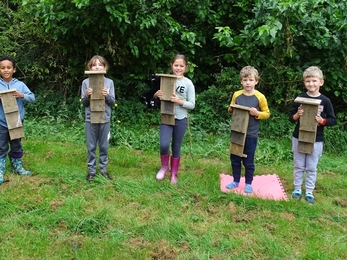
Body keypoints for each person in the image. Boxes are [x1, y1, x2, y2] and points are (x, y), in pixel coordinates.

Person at [289, 66, 336, 204]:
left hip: (316, 140)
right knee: (298, 165)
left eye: (314, 81)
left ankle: (309, 191)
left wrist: (322, 121)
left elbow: (333, 120)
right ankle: (297, 189)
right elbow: (291, 118)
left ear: (321, 82)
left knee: (311, 167)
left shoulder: (325, 101)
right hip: (299, 137)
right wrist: (298, 115)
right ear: (304, 83)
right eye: (308, 81)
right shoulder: (300, 98)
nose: (311, 84)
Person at [225, 66, 270, 193]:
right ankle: (235, 180)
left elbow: (266, 113)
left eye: (250, 80)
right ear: (241, 81)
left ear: (256, 81)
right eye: (245, 80)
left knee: (248, 160)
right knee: (234, 158)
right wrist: (231, 109)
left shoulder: (260, 97)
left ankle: (249, 183)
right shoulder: (237, 94)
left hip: (251, 134)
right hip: (236, 132)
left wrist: (257, 113)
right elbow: (230, 109)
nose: (248, 83)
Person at [153, 54, 195, 184]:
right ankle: (164, 167)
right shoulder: (165, 80)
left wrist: (179, 101)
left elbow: (192, 105)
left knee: (176, 147)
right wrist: (156, 95)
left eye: (181, 66)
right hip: (166, 117)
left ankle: (174, 173)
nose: (178, 68)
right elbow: (157, 97)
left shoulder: (188, 83)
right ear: (171, 66)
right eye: (176, 65)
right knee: (164, 144)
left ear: (186, 67)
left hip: (181, 119)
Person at [0, 55, 35, 184]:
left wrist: (22, 95)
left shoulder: (20, 85)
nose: (6, 70)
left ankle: (17, 167)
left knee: (16, 145)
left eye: (9, 67)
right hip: (1, 122)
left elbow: (32, 98)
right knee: (1, 146)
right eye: (2, 68)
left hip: (16, 122)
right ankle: (0, 171)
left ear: (14, 69)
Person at [81, 55, 116, 182]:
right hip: (90, 119)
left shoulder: (109, 82)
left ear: (105, 67)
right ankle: (91, 171)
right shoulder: (85, 82)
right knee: (91, 146)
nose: (97, 67)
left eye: (100, 64)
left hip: (104, 118)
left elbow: (112, 102)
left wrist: (107, 96)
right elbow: (84, 103)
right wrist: (86, 96)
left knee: (104, 146)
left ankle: (103, 169)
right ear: (90, 67)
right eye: (94, 65)